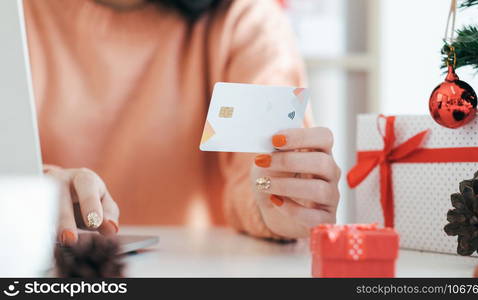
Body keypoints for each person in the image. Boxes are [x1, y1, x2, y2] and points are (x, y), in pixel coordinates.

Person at [24, 0, 341, 245]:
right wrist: (25, 187)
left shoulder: (245, 20)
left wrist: (278, 198)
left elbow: (256, 172)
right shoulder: (17, 15)